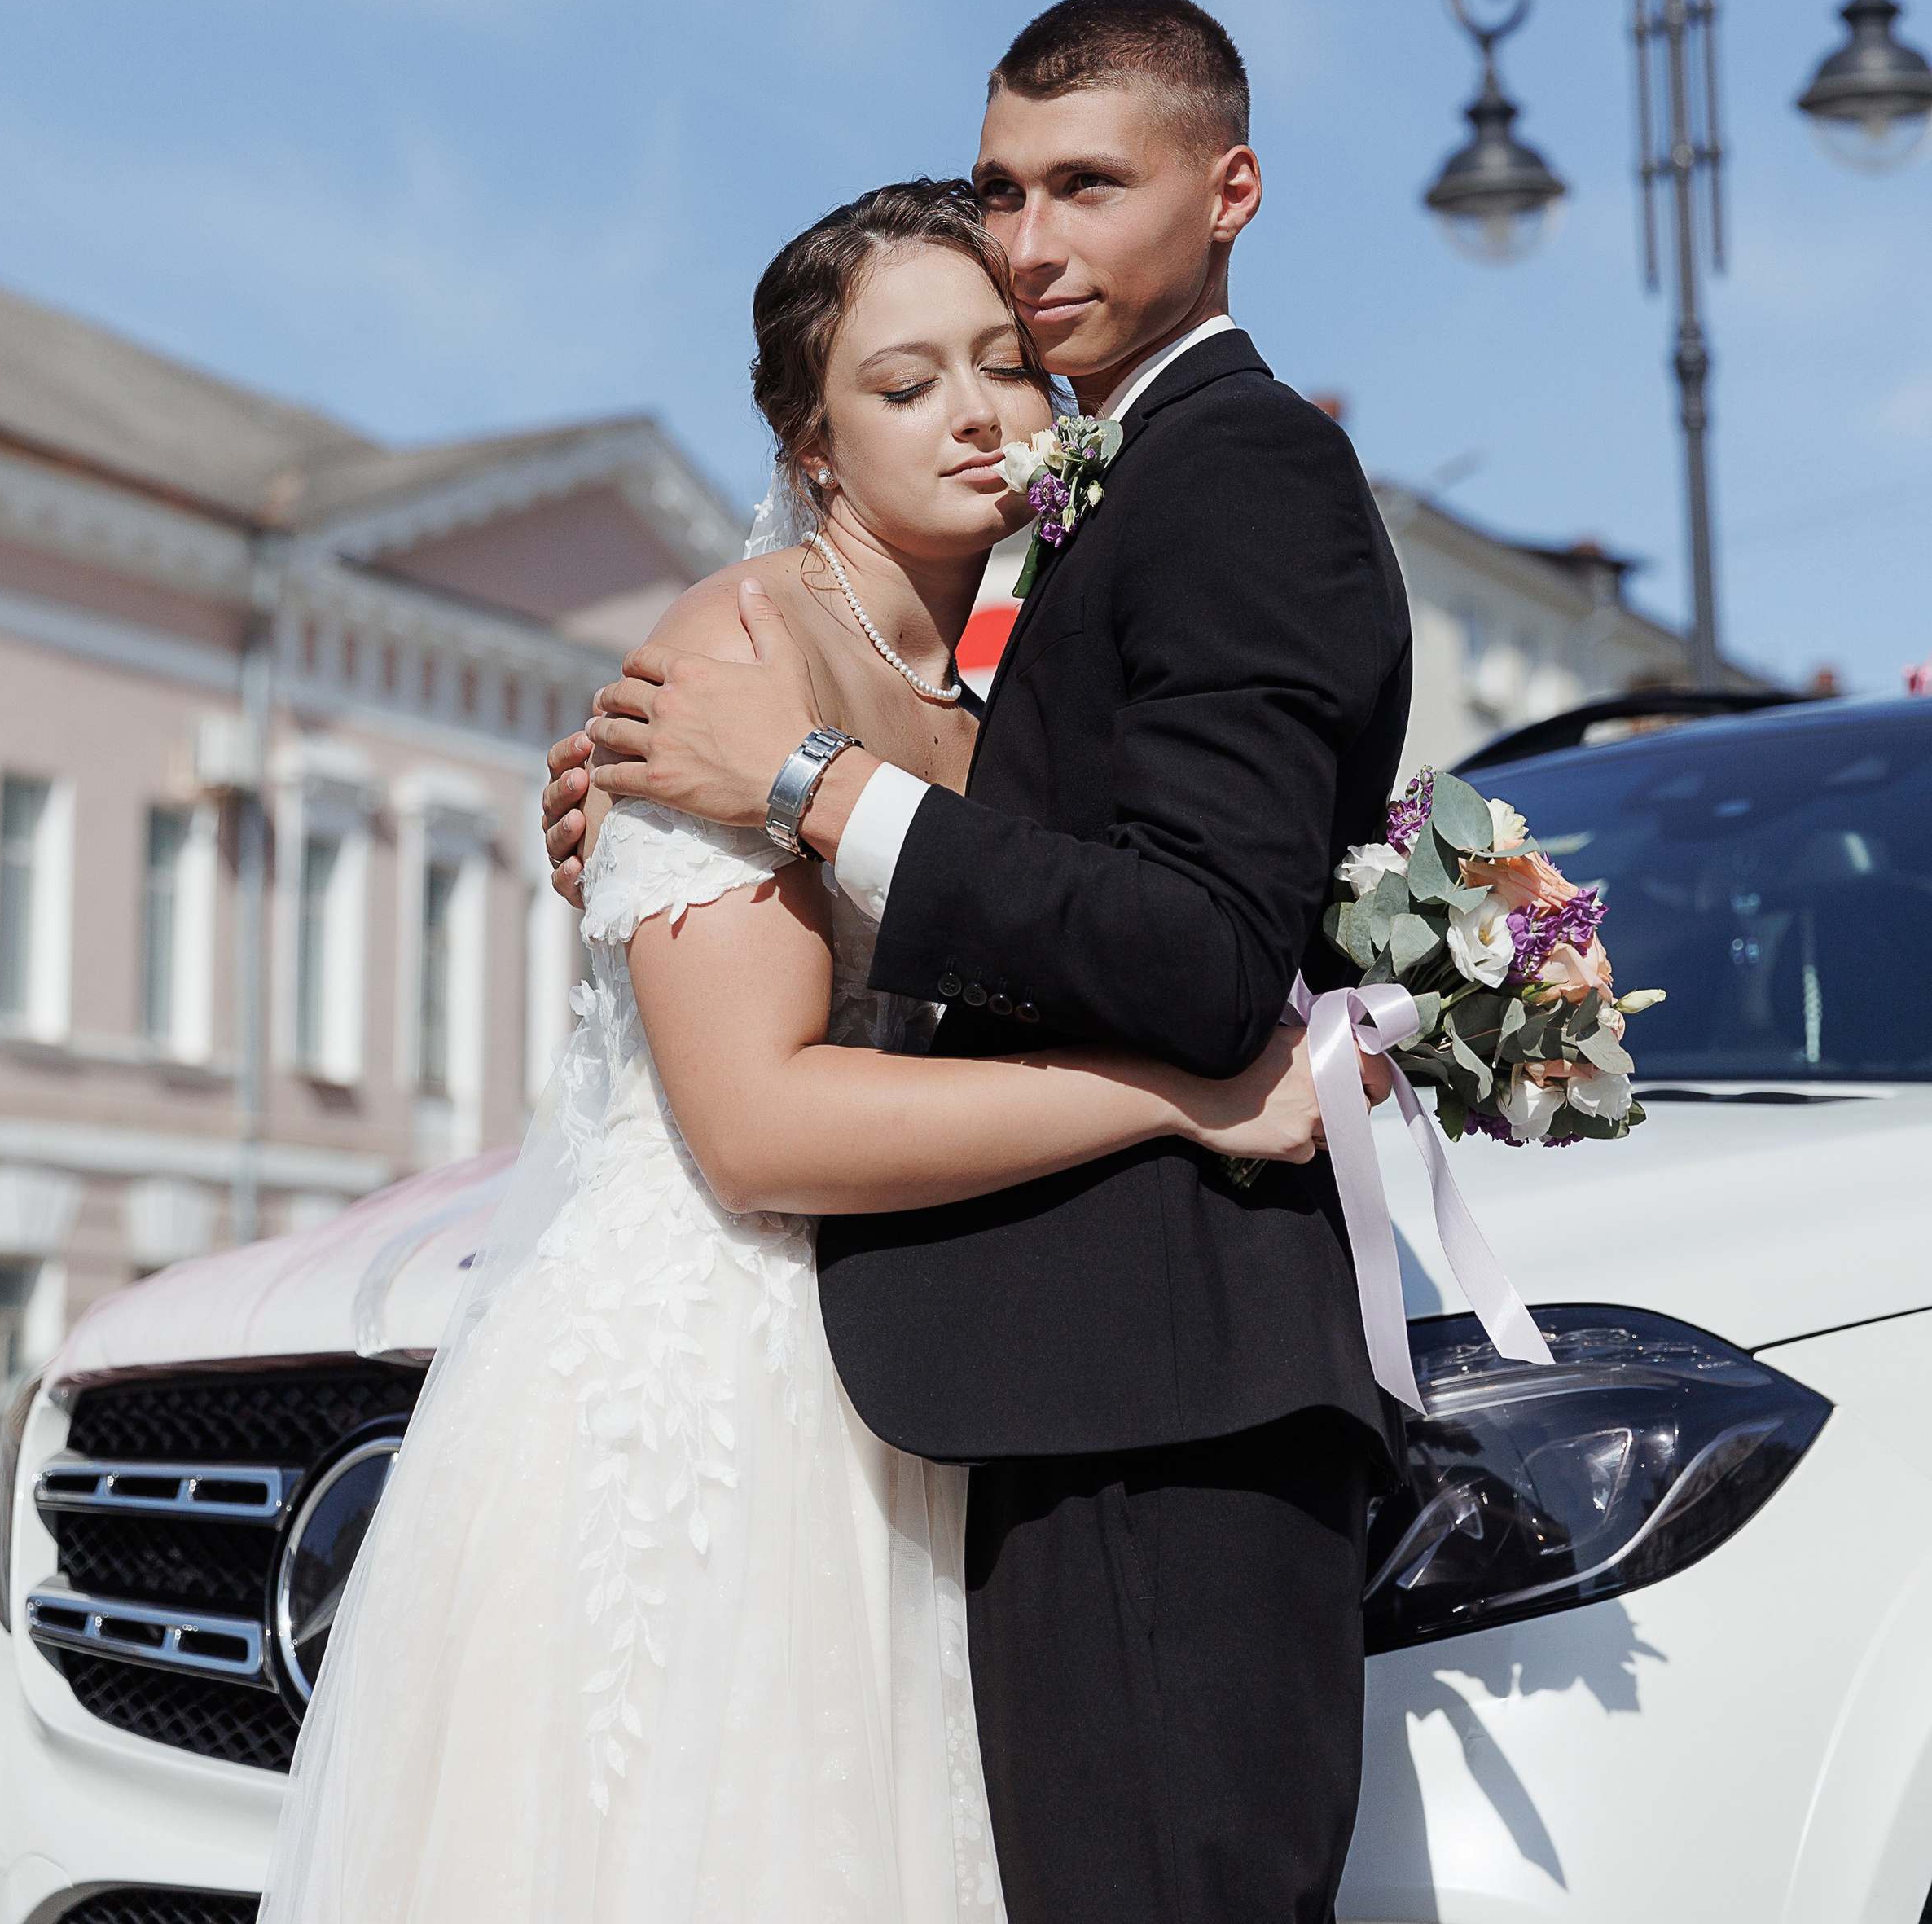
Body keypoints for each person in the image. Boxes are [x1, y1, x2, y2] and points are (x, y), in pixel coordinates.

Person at [257, 175, 1344, 1924]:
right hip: (710, 1377)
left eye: (1004, 363)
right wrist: (1177, 1098)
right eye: (905, 385)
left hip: (910, 1359)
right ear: (811, 442)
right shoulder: (738, 648)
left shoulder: (1008, 672)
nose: (978, 416)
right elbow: (755, 1126)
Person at [546, 0, 1415, 1924]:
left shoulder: (1229, 469)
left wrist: (793, 786)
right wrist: (704, 810)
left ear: (1231, 189)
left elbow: (1190, 941)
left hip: (1141, 1379)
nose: (1031, 257)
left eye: (1086, 189)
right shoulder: (960, 580)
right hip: (959, 1377)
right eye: (1006, 191)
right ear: (809, 440)